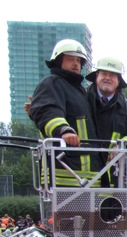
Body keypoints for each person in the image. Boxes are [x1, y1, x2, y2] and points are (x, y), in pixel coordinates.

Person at [30, 39, 106, 187]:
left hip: (87, 177)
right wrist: (63, 130)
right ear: (59, 61)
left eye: (79, 61)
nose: (76, 64)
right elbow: (47, 110)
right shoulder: (52, 83)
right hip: (63, 175)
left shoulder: (80, 92)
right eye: (70, 59)